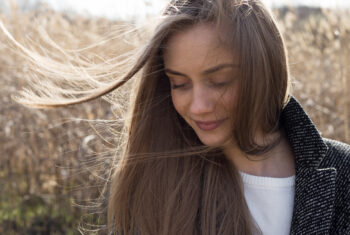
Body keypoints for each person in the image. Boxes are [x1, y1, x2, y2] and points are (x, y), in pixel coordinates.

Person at [3, 0, 349, 234]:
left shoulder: (343, 172)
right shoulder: (156, 183)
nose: (197, 106)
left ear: (264, 69)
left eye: (219, 81)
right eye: (179, 83)